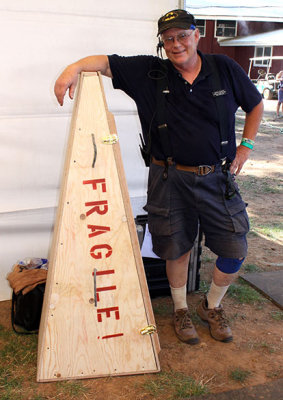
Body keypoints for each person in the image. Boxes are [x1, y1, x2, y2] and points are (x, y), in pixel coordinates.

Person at [54, 9, 263, 345]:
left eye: (182, 35)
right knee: (174, 248)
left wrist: (245, 147)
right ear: (162, 44)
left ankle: (212, 306)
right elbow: (105, 63)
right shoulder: (149, 72)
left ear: (196, 35)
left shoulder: (224, 68)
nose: (176, 44)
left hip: (217, 177)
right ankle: (180, 310)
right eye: (168, 39)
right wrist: (72, 68)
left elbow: (255, 105)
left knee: (235, 246)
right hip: (168, 178)